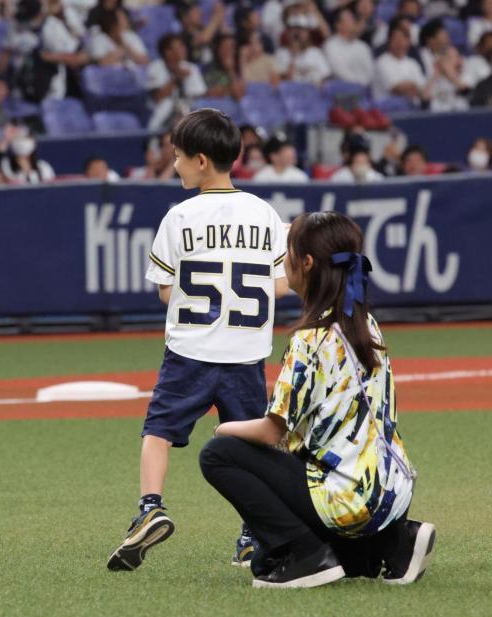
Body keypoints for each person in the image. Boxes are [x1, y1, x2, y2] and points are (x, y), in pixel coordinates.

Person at [200, 211, 434, 588]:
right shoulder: (364, 323)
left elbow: (270, 432)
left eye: (288, 251)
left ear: (306, 263)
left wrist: (224, 427)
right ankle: (395, 543)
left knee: (219, 454)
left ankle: (305, 557)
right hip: (393, 489)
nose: (282, 259)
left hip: (346, 497)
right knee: (323, 561)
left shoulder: (311, 339)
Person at [106, 109, 289, 572]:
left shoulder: (179, 216)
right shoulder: (265, 213)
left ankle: (150, 507)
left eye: (178, 157)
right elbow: (282, 283)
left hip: (190, 350)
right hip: (246, 353)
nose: (175, 165)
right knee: (254, 445)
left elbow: (167, 290)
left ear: (202, 160)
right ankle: (255, 533)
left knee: (158, 432)